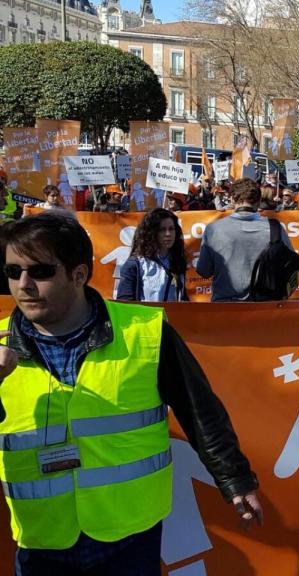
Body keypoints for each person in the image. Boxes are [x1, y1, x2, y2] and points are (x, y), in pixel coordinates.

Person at [0, 213, 262, 575]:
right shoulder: (0, 347)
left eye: (40, 271)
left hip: (127, 538)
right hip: (41, 541)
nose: (23, 285)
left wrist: (235, 478)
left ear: (78, 274)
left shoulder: (145, 332)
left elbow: (199, 410)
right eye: (13, 272)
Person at [196, 178, 295, 302]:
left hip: (225, 308)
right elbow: (292, 268)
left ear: (232, 199)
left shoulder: (213, 229)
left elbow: (204, 271)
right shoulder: (275, 228)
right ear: (258, 202)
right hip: (265, 308)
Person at [116, 208, 190, 302]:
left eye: (171, 229)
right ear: (151, 233)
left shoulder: (178, 260)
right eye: (162, 230)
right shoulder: (135, 264)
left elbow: (182, 296)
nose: (168, 234)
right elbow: (124, 303)